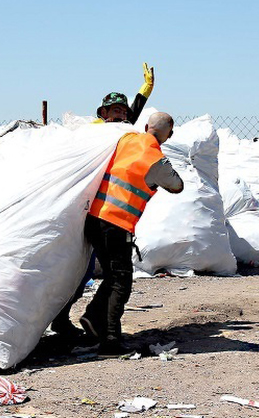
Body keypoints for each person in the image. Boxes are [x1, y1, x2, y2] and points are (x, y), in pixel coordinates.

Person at [62, 112, 183, 356]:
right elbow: (177, 185)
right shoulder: (155, 158)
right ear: (168, 135)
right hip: (117, 224)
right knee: (121, 280)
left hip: (95, 217)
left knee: (111, 275)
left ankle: (93, 318)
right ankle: (110, 340)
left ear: (146, 126)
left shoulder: (126, 140)